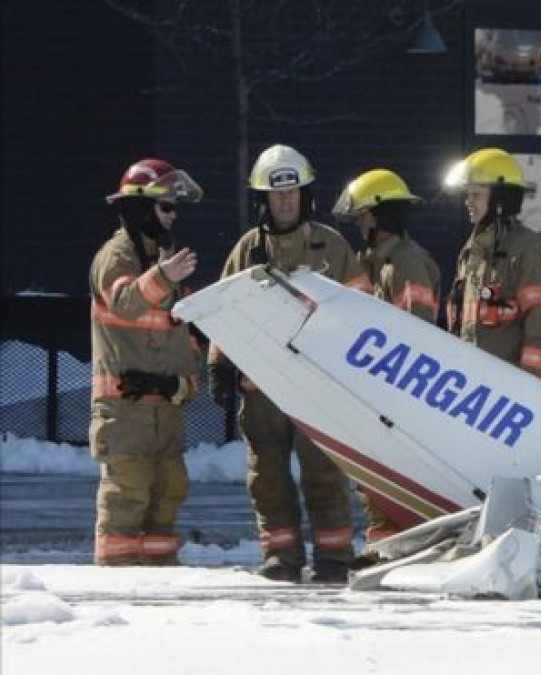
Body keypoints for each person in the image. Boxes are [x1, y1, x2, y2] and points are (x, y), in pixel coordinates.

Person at [208, 144, 371, 583]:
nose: (285, 201)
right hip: (261, 389)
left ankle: (334, 557)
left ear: (305, 195)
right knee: (268, 476)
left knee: (324, 471)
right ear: (264, 199)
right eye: (277, 194)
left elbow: (364, 312)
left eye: (292, 192)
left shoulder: (332, 246)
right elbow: (223, 310)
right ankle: (281, 557)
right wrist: (219, 365)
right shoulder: (248, 249)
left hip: (319, 387)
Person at [89, 158, 204, 566]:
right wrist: (164, 277)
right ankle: (119, 577)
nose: (173, 216)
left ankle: (160, 574)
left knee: (168, 491)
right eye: (166, 206)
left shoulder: (162, 259)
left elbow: (180, 332)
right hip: (126, 411)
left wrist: (187, 383)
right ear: (140, 207)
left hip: (164, 406)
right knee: (127, 492)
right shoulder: (116, 257)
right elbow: (125, 301)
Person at [332, 168, 441, 545]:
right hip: (379, 391)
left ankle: (406, 549)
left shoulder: (404, 263)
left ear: (379, 216)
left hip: (399, 395)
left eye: (362, 216)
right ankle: (385, 549)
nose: (358, 224)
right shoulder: (376, 263)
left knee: (400, 478)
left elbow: (416, 335)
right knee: (376, 481)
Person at [443, 148, 541, 385]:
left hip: (518, 389)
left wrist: (530, 385)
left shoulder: (527, 248)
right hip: (481, 385)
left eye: (476, 195)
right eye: (467, 195)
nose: (468, 202)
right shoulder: (472, 250)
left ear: (499, 200)